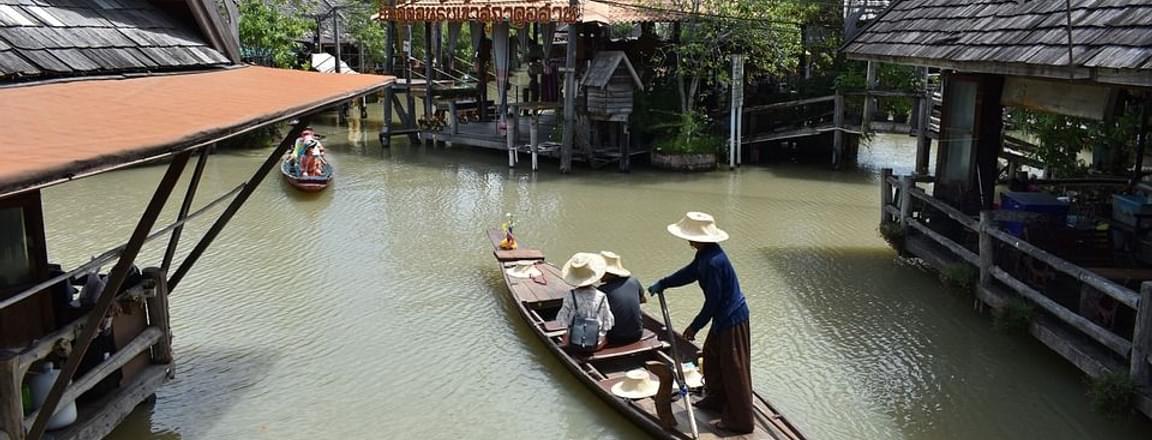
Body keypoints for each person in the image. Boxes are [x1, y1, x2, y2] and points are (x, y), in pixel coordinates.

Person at [647, 211, 753, 434]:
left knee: (734, 369)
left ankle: (741, 420)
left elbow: (713, 301)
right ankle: (716, 398)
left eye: (690, 236)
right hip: (722, 317)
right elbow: (690, 273)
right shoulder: (706, 255)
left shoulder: (714, 262)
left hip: (732, 318)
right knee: (712, 358)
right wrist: (665, 283)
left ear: (700, 238)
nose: (687, 240)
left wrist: (694, 326)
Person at [555, 252, 614, 352]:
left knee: (565, 336)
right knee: (605, 338)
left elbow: (561, 321)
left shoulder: (571, 295)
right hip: (596, 344)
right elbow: (608, 323)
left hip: (574, 342)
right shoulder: (602, 296)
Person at [598, 251, 645, 346]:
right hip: (637, 334)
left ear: (608, 273)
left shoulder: (601, 291)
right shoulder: (634, 281)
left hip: (615, 338)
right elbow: (643, 300)